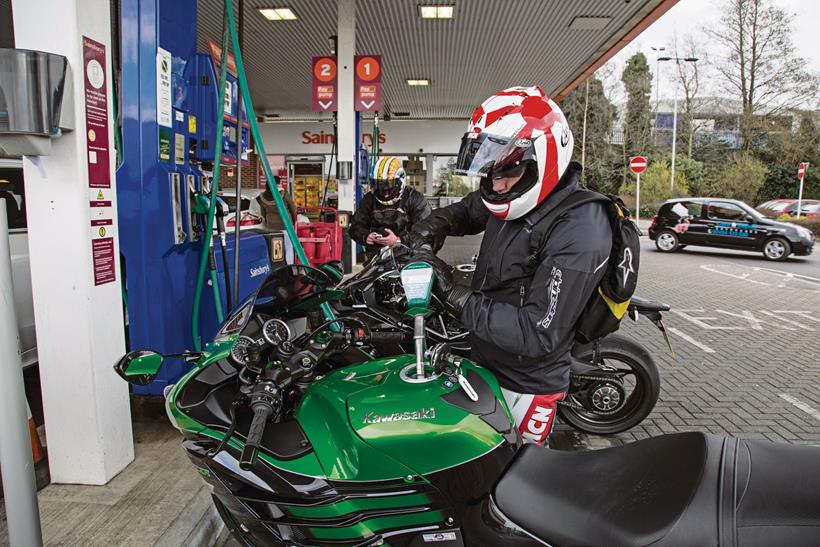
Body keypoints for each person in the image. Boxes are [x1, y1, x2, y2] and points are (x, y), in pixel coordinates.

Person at [406, 87, 612, 445]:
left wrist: (453, 293)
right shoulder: (510, 191)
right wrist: (429, 228)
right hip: (486, 361)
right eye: (489, 172)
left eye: (508, 171)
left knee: (514, 478)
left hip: (528, 383)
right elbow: (467, 211)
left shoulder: (581, 228)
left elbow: (536, 333)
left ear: (545, 159)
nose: (496, 184)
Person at [349, 156, 432, 260]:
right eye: (379, 187)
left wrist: (398, 240)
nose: (385, 194)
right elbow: (355, 226)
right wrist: (366, 236)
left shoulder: (416, 199)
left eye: (388, 188)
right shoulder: (369, 199)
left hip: (410, 258)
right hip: (377, 258)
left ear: (400, 182)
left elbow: (427, 231)